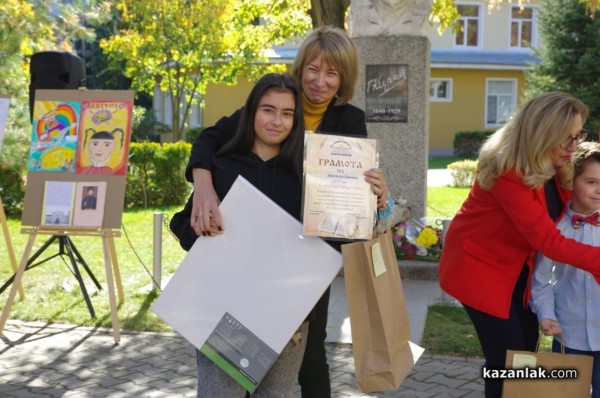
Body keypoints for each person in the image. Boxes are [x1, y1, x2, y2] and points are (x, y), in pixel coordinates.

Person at [185, 26, 389, 397]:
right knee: (234, 362)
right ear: (300, 69)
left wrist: (376, 194)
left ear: (344, 78)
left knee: (310, 351)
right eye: (313, 69)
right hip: (249, 258)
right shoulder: (275, 99)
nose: (321, 82)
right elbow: (210, 139)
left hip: (310, 251)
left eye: (333, 73)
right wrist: (202, 181)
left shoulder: (349, 121)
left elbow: (353, 191)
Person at [438, 91, 600, 398]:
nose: (573, 146)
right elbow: (547, 240)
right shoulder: (508, 170)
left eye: (577, 136)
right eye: (565, 138)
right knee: (508, 359)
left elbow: (576, 203)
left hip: (516, 267)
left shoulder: (558, 163)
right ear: (542, 134)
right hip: (480, 269)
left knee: (526, 348)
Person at [171, 73, 308, 397]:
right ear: (251, 113)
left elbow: (330, 239)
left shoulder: (304, 176)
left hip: (285, 315)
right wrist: (206, 229)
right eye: (268, 110)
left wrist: (376, 198)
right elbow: (189, 234)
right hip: (225, 313)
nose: (277, 121)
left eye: (287, 113)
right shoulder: (222, 166)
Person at [530, 141, 600, 398]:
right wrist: (546, 315)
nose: (599, 189)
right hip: (569, 337)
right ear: (571, 182)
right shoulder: (555, 231)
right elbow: (540, 282)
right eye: (591, 182)